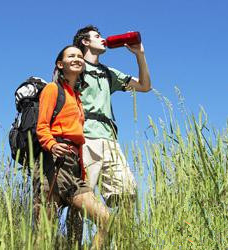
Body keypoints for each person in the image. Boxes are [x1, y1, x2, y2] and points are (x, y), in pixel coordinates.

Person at [67, 25, 151, 243]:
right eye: (97, 36)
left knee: (127, 196)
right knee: (81, 200)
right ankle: (72, 245)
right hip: (84, 139)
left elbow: (144, 86)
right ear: (85, 42)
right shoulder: (75, 65)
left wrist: (139, 54)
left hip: (110, 141)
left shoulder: (107, 73)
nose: (103, 39)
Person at [35, 45, 110, 249]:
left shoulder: (77, 97)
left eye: (79, 56)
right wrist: (51, 145)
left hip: (74, 166)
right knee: (44, 234)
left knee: (105, 219)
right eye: (71, 56)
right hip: (54, 164)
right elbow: (41, 126)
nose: (77, 58)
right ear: (61, 64)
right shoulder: (53, 89)